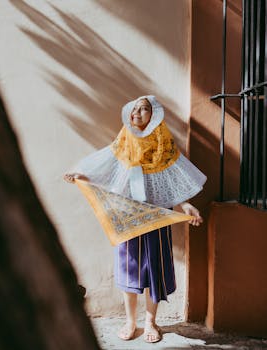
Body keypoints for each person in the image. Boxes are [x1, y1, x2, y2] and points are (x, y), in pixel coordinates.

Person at [64, 96, 206, 343]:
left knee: (155, 267)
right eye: (134, 109)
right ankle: (130, 322)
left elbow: (175, 178)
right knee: (128, 267)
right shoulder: (124, 139)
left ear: (155, 115)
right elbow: (106, 163)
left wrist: (186, 205)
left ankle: (151, 322)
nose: (137, 113)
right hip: (127, 214)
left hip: (157, 214)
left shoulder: (164, 143)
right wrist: (82, 174)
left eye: (144, 109)